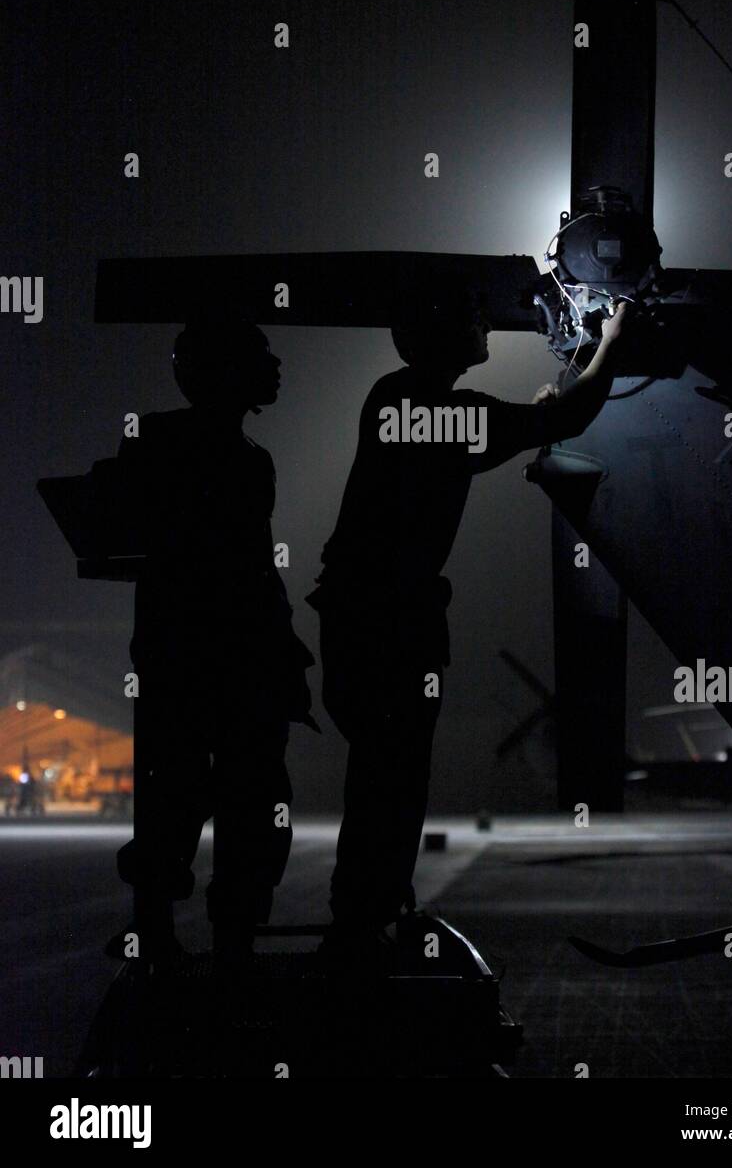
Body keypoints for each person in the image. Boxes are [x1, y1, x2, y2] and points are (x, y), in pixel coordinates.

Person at [307, 285, 629, 967]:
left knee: (384, 776)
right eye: (469, 316)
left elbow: (493, 434)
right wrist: (613, 341)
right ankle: (362, 923)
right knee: (392, 777)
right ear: (440, 336)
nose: (484, 323)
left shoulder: (398, 401)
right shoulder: (427, 408)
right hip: (389, 624)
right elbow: (564, 418)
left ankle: (368, 914)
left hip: (369, 617)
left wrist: (535, 417)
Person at [109, 321, 317, 967]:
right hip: (235, 660)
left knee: (173, 794)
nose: (277, 366)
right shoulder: (245, 457)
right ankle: (231, 940)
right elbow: (250, 569)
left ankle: (158, 931)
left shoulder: (158, 437)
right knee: (251, 803)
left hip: (178, 656)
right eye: (259, 358)